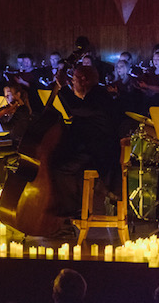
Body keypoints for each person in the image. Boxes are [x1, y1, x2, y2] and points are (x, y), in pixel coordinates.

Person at [56, 65, 121, 217]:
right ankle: (80, 205)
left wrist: (63, 87)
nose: (72, 84)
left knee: (61, 170)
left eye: (73, 81)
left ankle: (71, 211)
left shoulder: (98, 95)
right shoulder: (97, 95)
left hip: (98, 154)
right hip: (93, 151)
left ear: (84, 80)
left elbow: (77, 109)